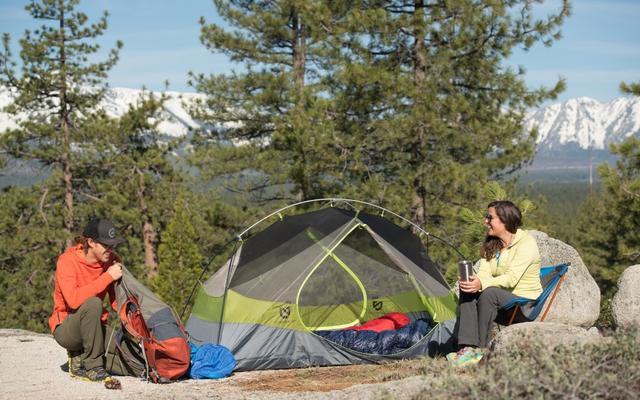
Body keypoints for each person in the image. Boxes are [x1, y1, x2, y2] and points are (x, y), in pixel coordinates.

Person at [448, 200, 542, 367]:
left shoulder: (527, 244)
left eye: (489, 217)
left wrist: (482, 284)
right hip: (502, 306)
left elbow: (511, 278)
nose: (485, 221)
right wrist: (475, 282)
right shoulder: (493, 243)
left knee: (489, 293)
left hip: (523, 306)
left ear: (504, 220)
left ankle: (482, 351)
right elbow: (484, 271)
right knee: (468, 288)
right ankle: (467, 348)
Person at [48, 218, 125, 382]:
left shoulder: (110, 260)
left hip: (94, 327)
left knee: (129, 356)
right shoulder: (67, 261)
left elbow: (116, 300)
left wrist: (133, 323)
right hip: (67, 329)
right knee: (93, 303)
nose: (110, 249)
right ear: (90, 242)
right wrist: (107, 277)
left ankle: (82, 356)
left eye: (112, 245)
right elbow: (74, 300)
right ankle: (93, 366)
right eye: (106, 245)